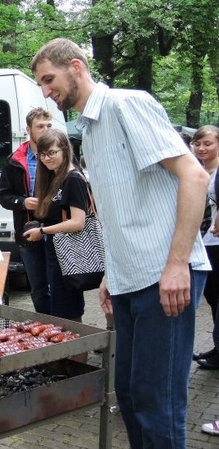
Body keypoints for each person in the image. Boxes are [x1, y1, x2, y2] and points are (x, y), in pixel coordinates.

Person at [31, 38, 210, 449]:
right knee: (129, 395)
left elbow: (194, 177)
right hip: (130, 281)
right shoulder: (89, 131)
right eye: (41, 84)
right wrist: (112, 272)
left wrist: (178, 264)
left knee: (157, 402)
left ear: (76, 67)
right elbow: (115, 208)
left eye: (49, 79)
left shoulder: (125, 106)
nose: (45, 91)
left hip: (164, 276)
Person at [21, 129, 89, 322]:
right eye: (42, 154)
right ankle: (67, 351)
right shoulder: (54, 177)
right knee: (61, 310)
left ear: (65, 150)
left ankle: (76, 351)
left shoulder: (73, 178)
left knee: (70, 314)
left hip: (69, 255)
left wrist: (42, 231)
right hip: (56, 253)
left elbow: (77, 222)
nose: (46, 158)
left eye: (52, 152)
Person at [0, 107, 53, 314]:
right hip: (28, 232)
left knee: (61, 286)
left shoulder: (63, 155)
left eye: (49, 126)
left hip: (58, 231)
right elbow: (3, 195)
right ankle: (46, 328)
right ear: (28, 129)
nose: (46, 130)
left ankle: (66, 330)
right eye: (40, 126)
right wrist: (22, 202)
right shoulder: (14, 160)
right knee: (38, 288)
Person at [190, 125, 219, 369]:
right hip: (201, 242)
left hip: (217, 241)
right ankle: (217, 347)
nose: (201, 148)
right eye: (198, 144)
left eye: (207, 143)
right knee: (212, 296)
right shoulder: (193, 169)